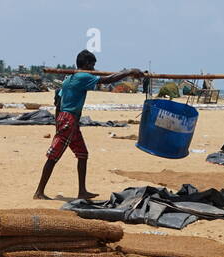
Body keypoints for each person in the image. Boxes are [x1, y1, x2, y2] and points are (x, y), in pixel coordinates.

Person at [34, 51, 143, 200]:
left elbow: (58, 101)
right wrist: (129, 72)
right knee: (54, 155)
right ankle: (39, 192)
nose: (93, 68)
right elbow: (106, 80)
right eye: (92, 65)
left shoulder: (68, 78)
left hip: (67, 119)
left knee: (82, 154)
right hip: (69, 120)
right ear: (86, 64)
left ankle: (82, 191)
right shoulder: (82, 76)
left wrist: (57, 122)